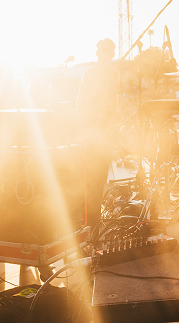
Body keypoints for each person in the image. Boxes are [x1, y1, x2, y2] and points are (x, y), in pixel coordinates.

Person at [76, 38, 120, 229]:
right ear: (98, 53)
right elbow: (82, 104)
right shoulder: (90, 74)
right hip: (92, 133)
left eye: (109, 53)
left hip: (106, 133)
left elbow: (113, 103)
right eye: (104, 52)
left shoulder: (114, 74)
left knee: (100, 178)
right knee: (90, 179)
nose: (107, 56)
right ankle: (89, 221)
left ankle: (95, 218)